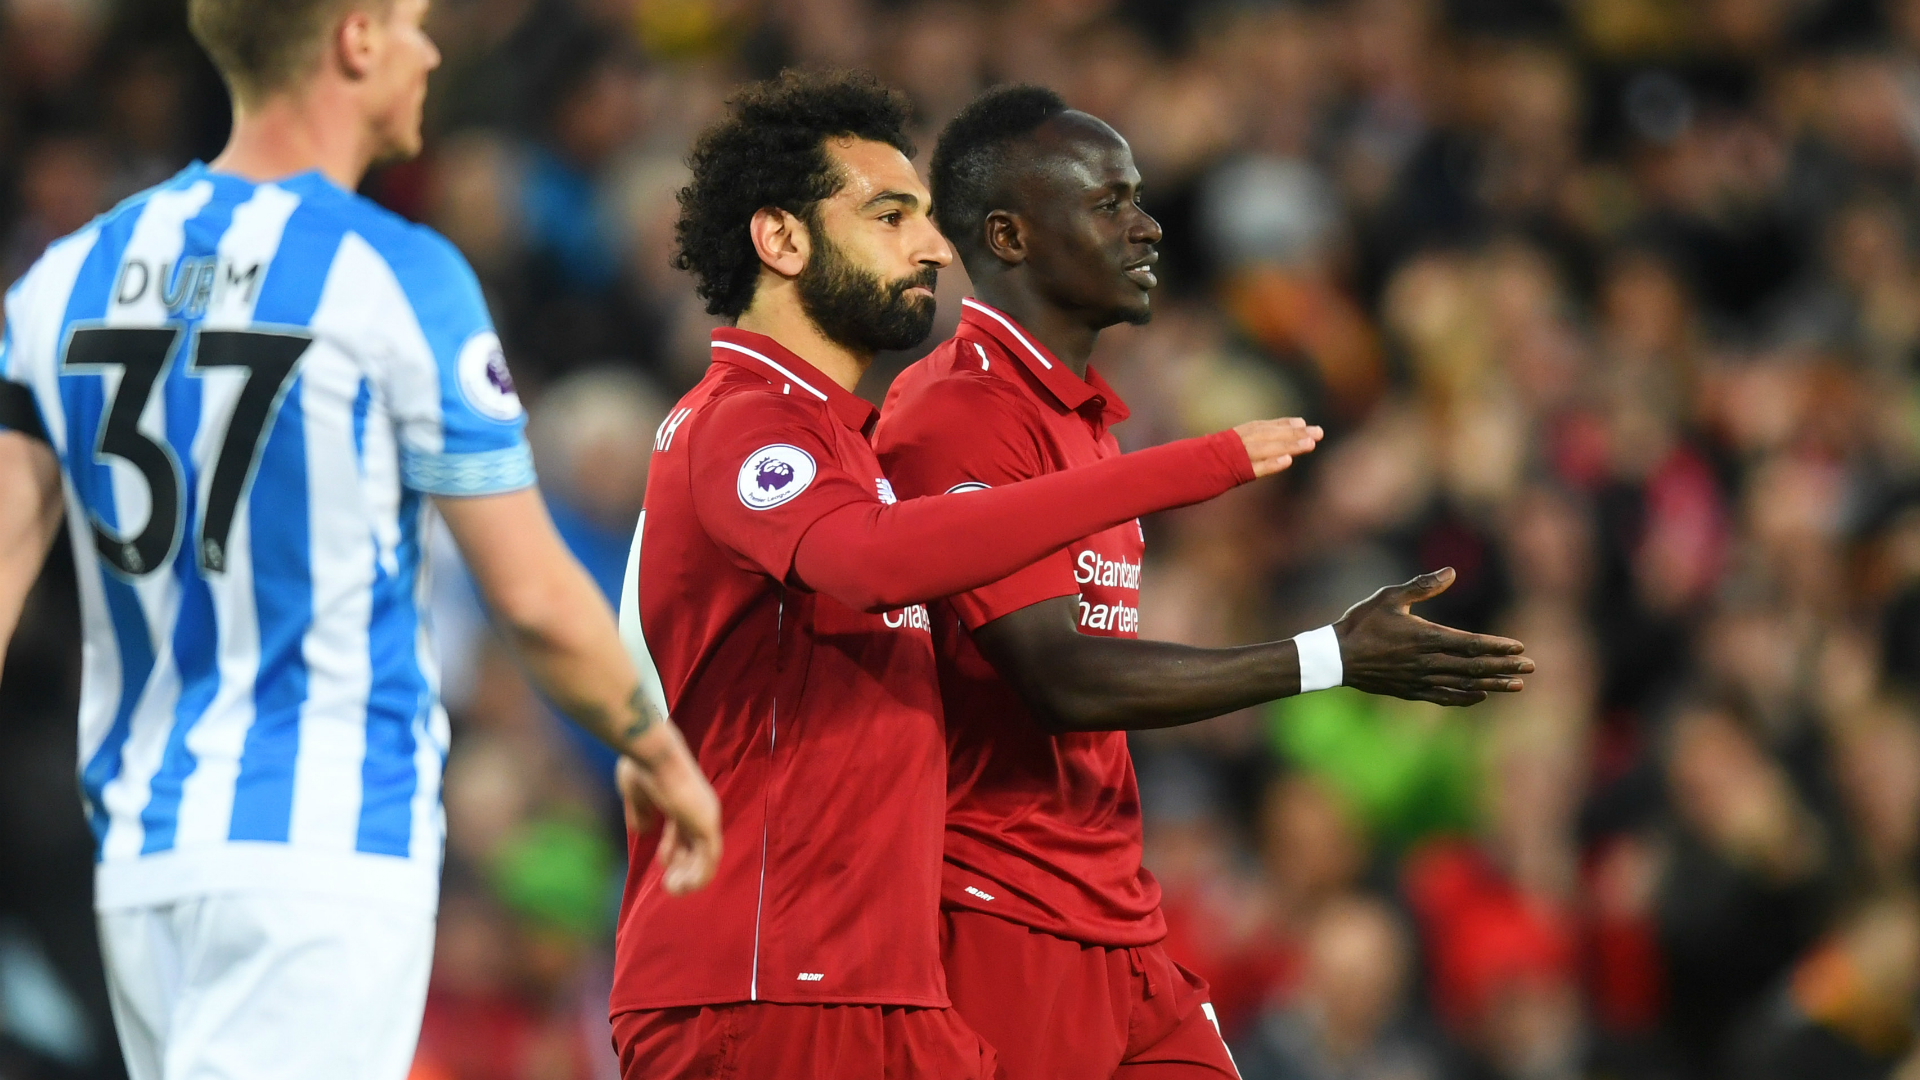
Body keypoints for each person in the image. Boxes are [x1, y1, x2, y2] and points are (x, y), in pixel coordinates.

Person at [0, 1, 721, 1077]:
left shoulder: (66, 277)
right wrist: (659, 749)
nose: (432, 52)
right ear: (357, 38)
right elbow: (530, 594)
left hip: (145, 855)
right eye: (416, 24)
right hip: (320, 845)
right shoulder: (397, 276)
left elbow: (7, 553)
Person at [608, 69, 1318, 1080]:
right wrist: (1196, 463)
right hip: (761, 984)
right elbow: (871, 562)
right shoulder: (742, 422)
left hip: (881, 986)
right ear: (782, 240)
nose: (935, 247)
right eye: (890, 215)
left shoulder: (850, 448)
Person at [870, 84, 1535, 1080]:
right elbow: (1058, 677)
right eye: (1108, 203)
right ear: (1007, 234)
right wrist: (1327, 657)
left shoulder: (1082, 421)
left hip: (1113, 915)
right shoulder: (954, 416)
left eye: (1137, 194)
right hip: (1000, 917)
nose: (1148, 223)